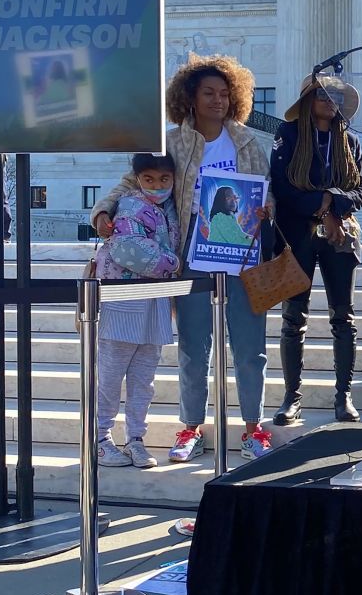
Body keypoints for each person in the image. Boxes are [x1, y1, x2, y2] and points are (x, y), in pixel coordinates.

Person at [92, 54, 273, 462]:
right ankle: (190, 428)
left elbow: (267, 190)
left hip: (243, 254)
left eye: (225, 94)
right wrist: (103, 211)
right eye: (208, 93)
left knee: (250, 347)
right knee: (194, 345)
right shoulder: (172, 141)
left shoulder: (247, 141)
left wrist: (267, 209)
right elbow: (131, 181)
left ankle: (252, 430)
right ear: (190, 98)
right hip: (191, 252)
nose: (218, 100)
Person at [270, 74, 362, 426]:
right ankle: (291, 398)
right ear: (308, 100)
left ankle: (344, 397)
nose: (330, 100)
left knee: (344, 319)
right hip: (298, 236)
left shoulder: (349, 140)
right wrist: (323, 208)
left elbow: (361, 192)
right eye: (322, 94)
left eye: (336, 96)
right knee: (293, 319)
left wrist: (334, 204)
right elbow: (281, 185)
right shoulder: (289, 135)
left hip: (341, 236)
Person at [94, 153, 180, 469]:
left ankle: (135, 439)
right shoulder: (129, 206)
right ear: (138, 178)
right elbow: (131, 251)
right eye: (149, 179)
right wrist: (174, 264)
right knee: (111, 376)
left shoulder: (169, 209)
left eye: (164, 179)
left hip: (155, 303)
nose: (157, 186)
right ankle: (99, 438)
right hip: (124, 302)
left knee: (144, 379)